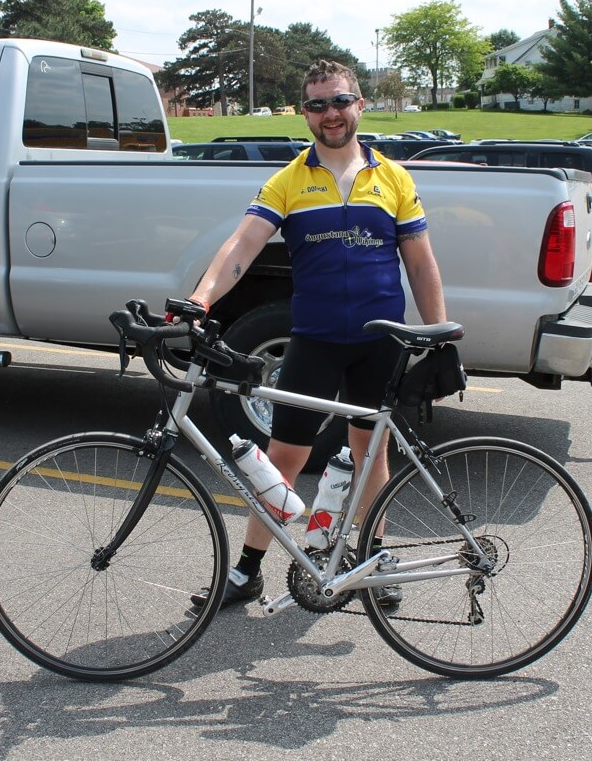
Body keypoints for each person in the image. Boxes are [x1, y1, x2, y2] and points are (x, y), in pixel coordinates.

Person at [187, 59, 447, 609]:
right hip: (315, 338)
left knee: (370, 455)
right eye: (317, 104)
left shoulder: (394, 178)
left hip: (380, 341)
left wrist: (440, 337)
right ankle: (249, 568)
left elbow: (421, 266)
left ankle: (376, 561)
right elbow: (242, 246)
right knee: (283, 459)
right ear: (305, 112)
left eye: (339, 101)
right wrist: (201, 298)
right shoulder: (289, 180)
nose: (330, 113)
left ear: (359, 104)